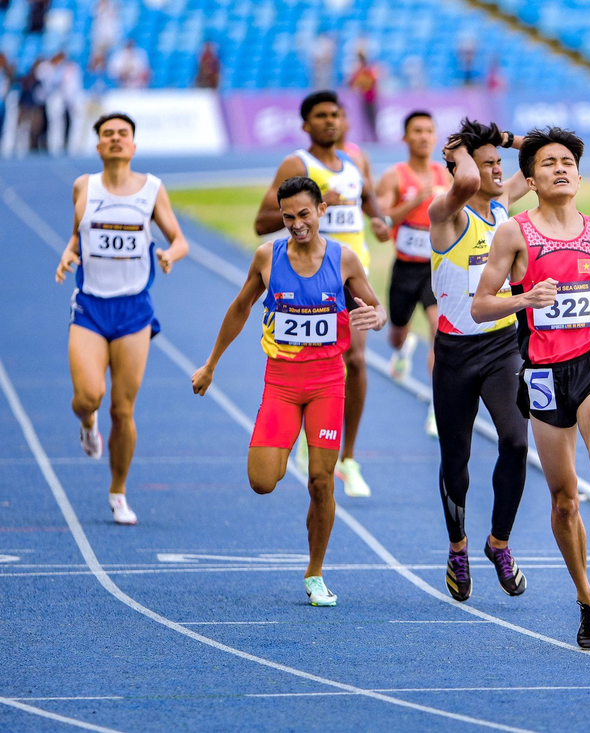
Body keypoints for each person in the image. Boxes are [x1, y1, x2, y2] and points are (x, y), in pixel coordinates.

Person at [472, 126, 590, 650]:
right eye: (548, 163)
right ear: (530, 178)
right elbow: (483, 305)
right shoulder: (514, 234)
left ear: (579, 174)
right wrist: (524, 301)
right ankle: (587, 601)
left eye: (567, 162)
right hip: (545, 377)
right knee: (566, 501)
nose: (559, 169)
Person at [192, 177, 387, 606]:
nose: (297, 224)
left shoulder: (344, 258)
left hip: (327, 384)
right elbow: (240, 308)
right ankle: (290, 447)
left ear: (320, 211)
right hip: (280, 383)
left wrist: (374, 318)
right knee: (263, 481)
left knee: (321, 481)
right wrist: (211, 365)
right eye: (288, 217)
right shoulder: (267, 256)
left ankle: (315, 572)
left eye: (304, 214)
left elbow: (375, 307)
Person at [54, 112, 190, 525]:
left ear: (133, 145)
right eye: (108, 134)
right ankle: (86, 423)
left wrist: (169, 254)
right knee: (88, 397)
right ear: (98, 146)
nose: (115, 139)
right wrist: (69, 250)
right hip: (91, 306)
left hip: (133, 309)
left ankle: (118, 491)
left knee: (122, 409)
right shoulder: (84, 185)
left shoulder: (151, 190)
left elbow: (180, 239)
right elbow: (78, 232)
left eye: (123, 134)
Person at [254, 90, 390, 499]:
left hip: (350, 273)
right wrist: (319, 203)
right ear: (305, 124)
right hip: (309, 275)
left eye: (336, 114)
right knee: (309, 354)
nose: (330, 121)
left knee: (358, 360)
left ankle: (347, 457)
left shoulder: (357, 160)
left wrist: (380, 221)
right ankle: (304, 433)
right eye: (321, 115)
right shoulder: (297, 164)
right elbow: (262, 221)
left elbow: (369, 202)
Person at [424, 118, 532, 602]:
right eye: (487, 164)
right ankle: (458, 547)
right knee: (457, 458)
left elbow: (536, 158)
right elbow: (465, 181)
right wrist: (461, 153)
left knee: (515, 442)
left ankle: (499, 543)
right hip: (454, 353)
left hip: (500, 345)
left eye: (498, 164)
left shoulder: (500, 207)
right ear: (461, 165)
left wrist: (501, 141)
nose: (496, 171)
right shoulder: (445, 216)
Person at [375, 111, 450, 435]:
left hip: (436, 269)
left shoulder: (445, 176)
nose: (423, 136)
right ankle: (402, 348)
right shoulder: (394, 177)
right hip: (405, 269)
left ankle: (438, 405)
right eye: (416, 131)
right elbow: (380, 223)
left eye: (428, 131)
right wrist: (414, 201)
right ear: (405, 137)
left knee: (439, 331)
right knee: (396, 334)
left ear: (435, 137)